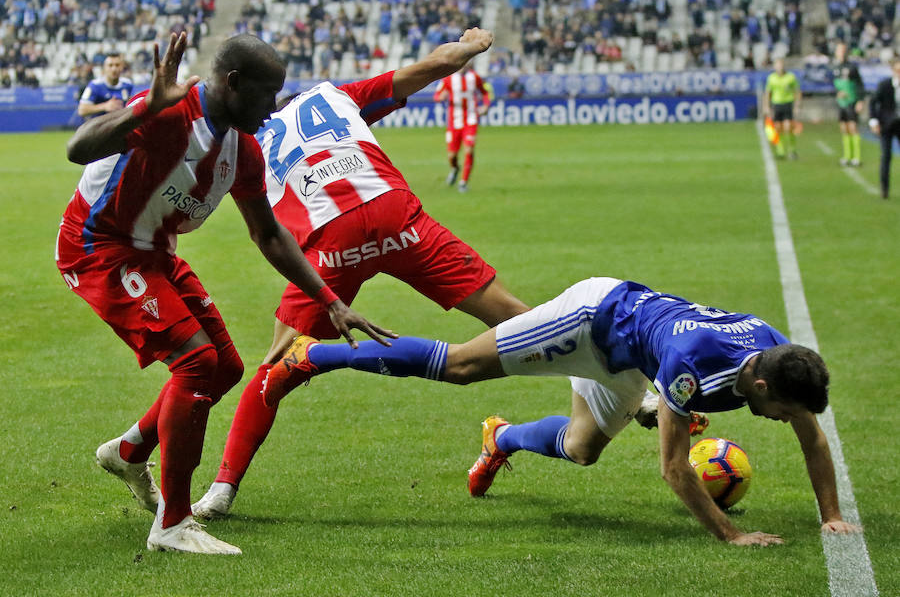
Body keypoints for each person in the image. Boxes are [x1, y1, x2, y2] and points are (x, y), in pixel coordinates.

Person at [57, 32, 391, 555]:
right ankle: (172, 523)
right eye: (266, 94)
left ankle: (129, 451)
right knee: (194, 362)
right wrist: (142, 112)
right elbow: (78, 149)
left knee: (226, 368)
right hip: (98, 247)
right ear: (233, 83)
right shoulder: (169, 114)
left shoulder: (242, 150)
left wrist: (330, 301)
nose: (273, 106)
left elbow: (270, 234)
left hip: (153, 251)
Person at [191, 27, 531, 520]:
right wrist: (472, 44)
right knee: (517, 318)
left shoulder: (246, 138)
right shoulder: (335, 96)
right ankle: (632, 391)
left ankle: (222, 489)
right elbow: (430, 67)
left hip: (330, 242)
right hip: (395, 215)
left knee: (276, 366)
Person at [262, 277, 863, 546]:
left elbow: (812, 436)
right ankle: (317, 353)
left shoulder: (779, 356)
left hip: (630, 357)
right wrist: (731, 535)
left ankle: (502, 439)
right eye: (781, 410)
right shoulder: (692, 365)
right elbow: (675, 469)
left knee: (582, 449)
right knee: (463, 365)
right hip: (592, 318)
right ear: (758, 383)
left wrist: (831, 513)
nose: (787, 419)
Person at [433, 62, 491, 192]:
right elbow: (437, 95)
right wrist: (440, 97)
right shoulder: (448, 79)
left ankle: (463, 182)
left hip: (471, 119)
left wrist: (486, 105)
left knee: (469, 150)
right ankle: (455, 169)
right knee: (452, 156)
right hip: (454, 122)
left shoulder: (474, 77)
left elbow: (484, 93)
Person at [868, 58, 900, 200]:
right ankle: (884, 188)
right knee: (886, 156)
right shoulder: (885, 85)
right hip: (886, 125)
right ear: (893, 70)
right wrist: (874, 121)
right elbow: (873, 102)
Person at [832, 42, 865, 167]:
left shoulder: (852, 67)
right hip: (841, 103)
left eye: (843, 50)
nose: (841, 53)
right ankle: (847, 156)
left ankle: (857, 157)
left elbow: (860, 84)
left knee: (853, 128)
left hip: (852, 101)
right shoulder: (835, 68)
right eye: (839, 50)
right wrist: (837, 93)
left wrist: (860, 100)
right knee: (844, 128)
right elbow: (834, 85)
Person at [77, 52, 134, 120]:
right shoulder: (95, 85)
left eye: (117, 65)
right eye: (110, 65)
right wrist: (104, 106)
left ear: (122, 67)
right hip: (99, 128)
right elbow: (82, 110)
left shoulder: (128, 84)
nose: (114, 69)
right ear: (104, 68)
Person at [763, 58, 801, 159]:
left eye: (781, 65)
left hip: (787, 104)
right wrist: (766, 106)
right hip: (776, 105)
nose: (779, 67)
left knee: (788, 127)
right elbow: (768, 93)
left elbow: (797, 91)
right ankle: (781, 150)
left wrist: (797, 105)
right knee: (777, 128)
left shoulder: (790, 77)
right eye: (777, 65)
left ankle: (792, 150)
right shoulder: (771, 78)